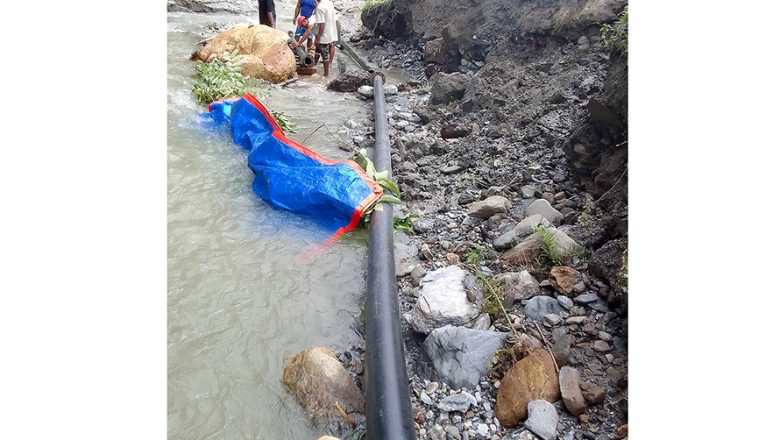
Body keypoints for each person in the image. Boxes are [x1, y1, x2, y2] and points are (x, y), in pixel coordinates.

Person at [313, 0, 338, 76]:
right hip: (331, 31)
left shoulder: (320, 7)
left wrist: (318, 37)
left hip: (324, 34)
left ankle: (326, 74)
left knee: (324, 55)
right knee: (318, 50)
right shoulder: (329, 3)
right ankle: (313, 66)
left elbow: (322, 24)